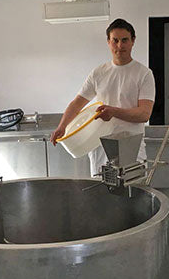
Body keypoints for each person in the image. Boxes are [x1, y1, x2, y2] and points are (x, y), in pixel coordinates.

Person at [51, 18, 155, 176]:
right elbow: (77, 104)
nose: (120, 46)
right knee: (99, 193)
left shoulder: (143, 74)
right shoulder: (99, 73)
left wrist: (113, 111)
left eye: (125, 40)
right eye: (115, 40)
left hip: (130, 145)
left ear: (133, 41)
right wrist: (62, 126)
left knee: (132, 192)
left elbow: (144, 114)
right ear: (108, 42)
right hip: (99, 144)